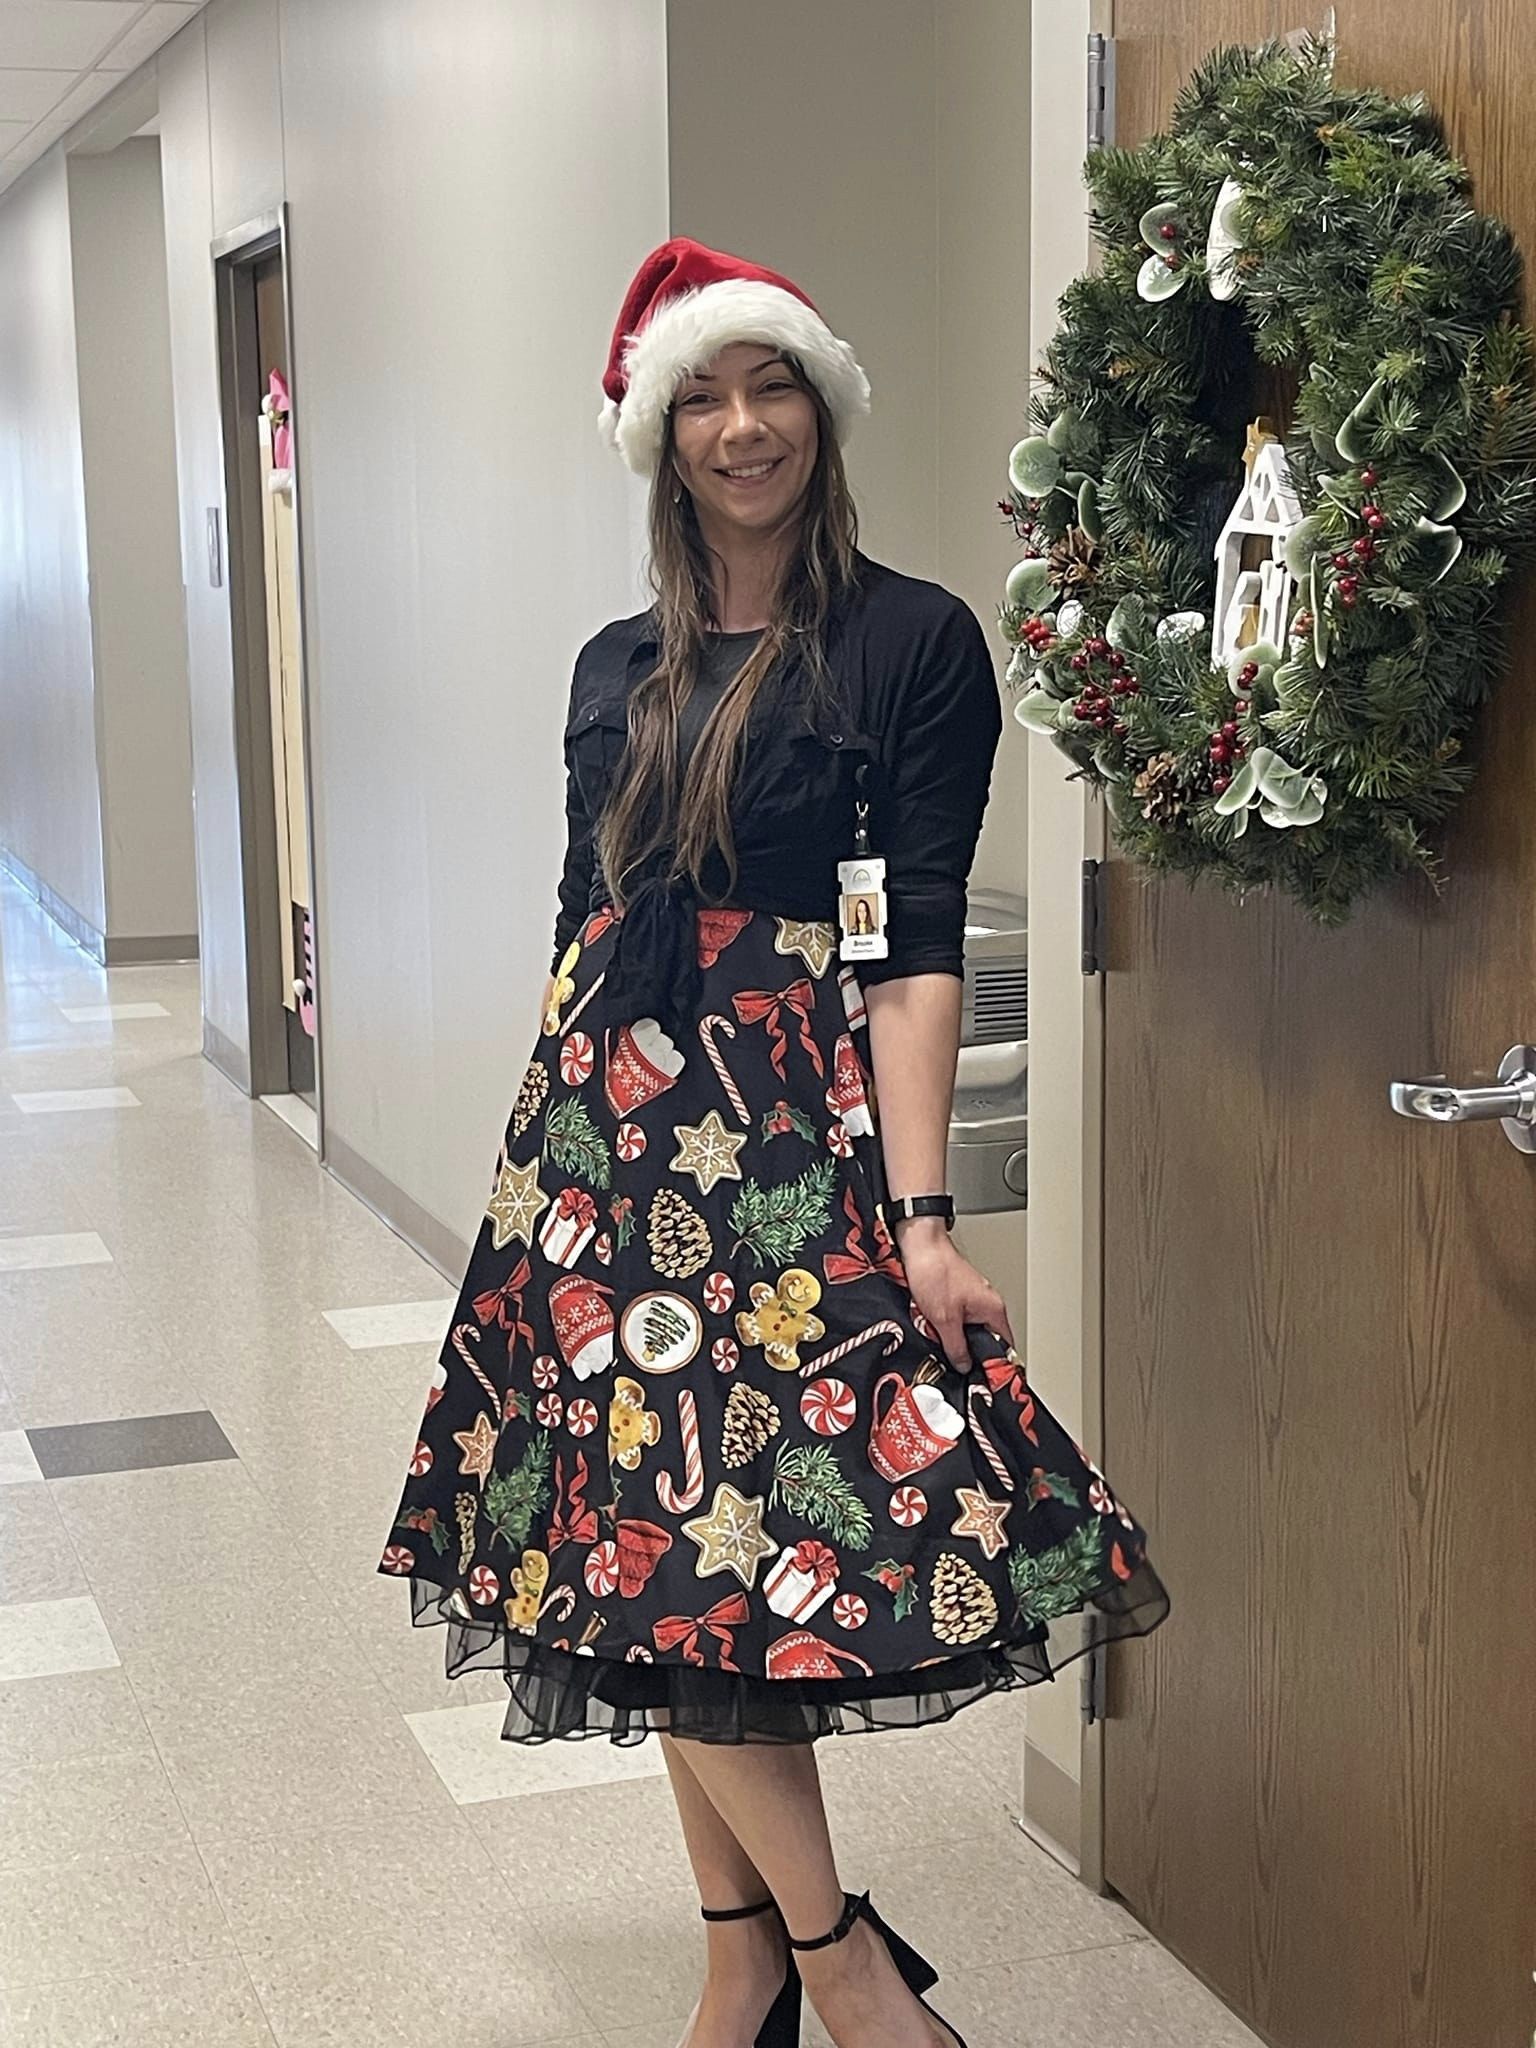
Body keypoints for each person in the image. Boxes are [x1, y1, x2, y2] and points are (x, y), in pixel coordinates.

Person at [381, 237, 1168, 2048]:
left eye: (774, 386)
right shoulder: (611, 665)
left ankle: (835, 1973)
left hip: (791, 1152)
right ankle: (763, 1961)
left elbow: (906, 947)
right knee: (645, 1567)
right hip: (604, 1160)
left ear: (822, 406)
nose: (745, 428)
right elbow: (583, 918)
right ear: (659, 438)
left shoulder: (910, 643)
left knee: (739, 1559)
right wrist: (548, 1178)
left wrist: (920, 1210)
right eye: (705, 399)